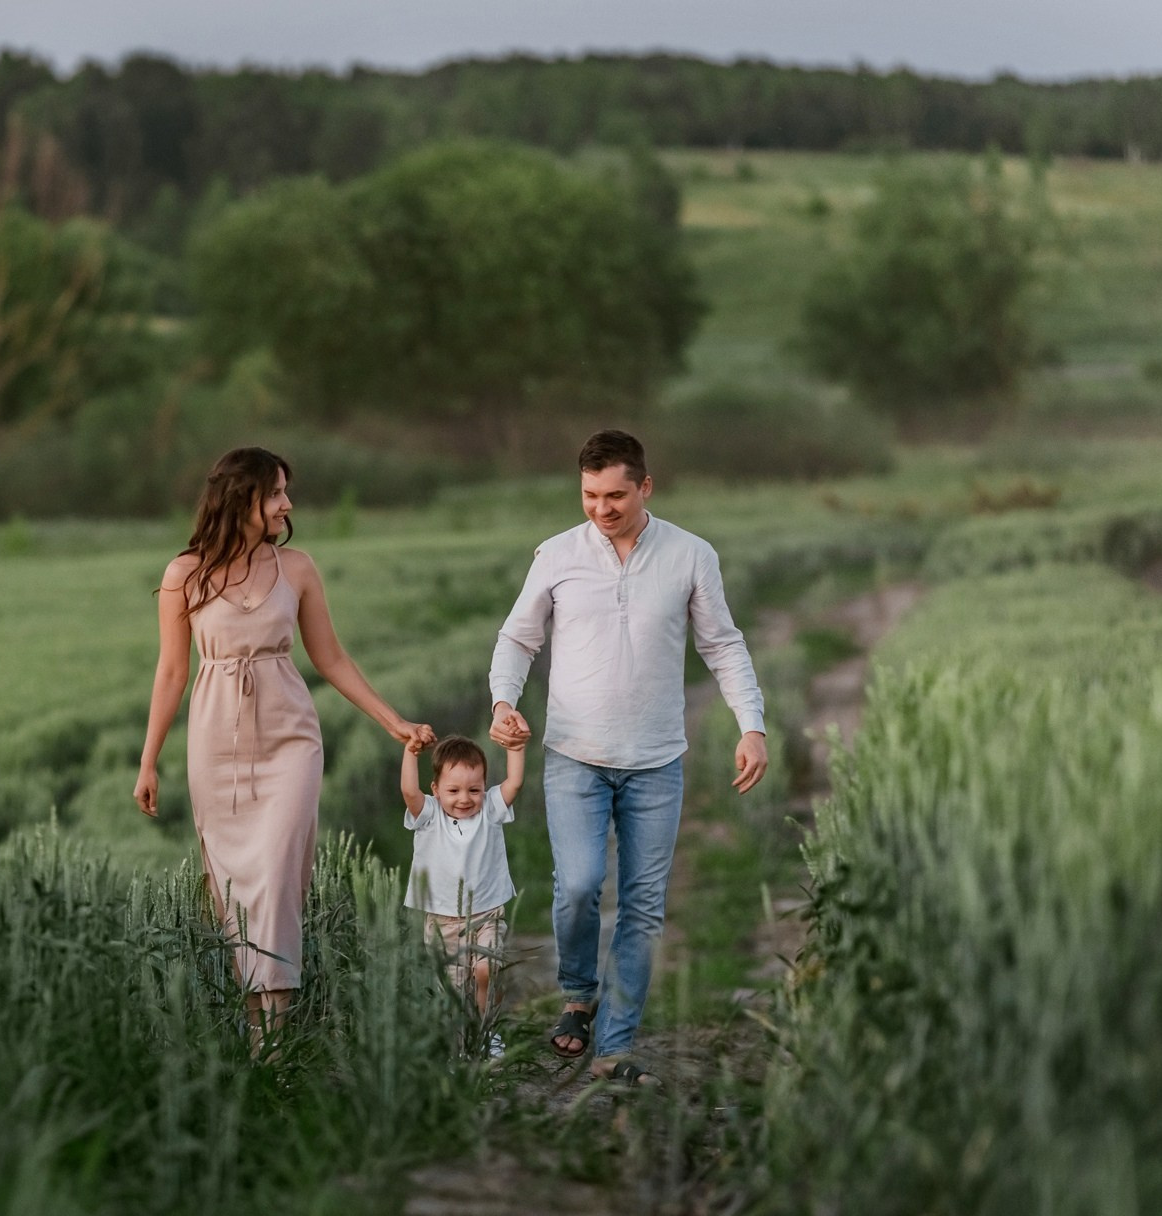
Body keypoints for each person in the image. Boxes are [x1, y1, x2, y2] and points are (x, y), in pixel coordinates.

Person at [489, 429, 768, 1089]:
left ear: (645, 486)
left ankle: (614, 1047)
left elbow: (723, 645)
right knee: (581, 884)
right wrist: (503, 702)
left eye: (615, 494)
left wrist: (750, 725)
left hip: (655, 761)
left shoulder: (691, 555)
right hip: (574, 756)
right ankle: (579, 992)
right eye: (589, 495)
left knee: (642, 906)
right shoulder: (556, 555)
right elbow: (516, 637)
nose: (601, 508)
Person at [136, 447, 434, 1048]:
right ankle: (258, 1035)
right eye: (275, 493)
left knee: (276, 876)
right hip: (216, 744)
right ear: (240, 498)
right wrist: (148, 760)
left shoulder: (297, 568)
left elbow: (330, 658)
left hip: (290, 739)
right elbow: (171, 672)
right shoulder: (183, 574)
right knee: (233, 888)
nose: (287, 505)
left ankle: (274, 1042)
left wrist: (391, 720)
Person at [401, 733, 525, 1039]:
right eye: (453, 790)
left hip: (487, 914)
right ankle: (456, 1049)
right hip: (443, 922)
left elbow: (514, 783)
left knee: (487, 969)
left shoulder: (490, 811)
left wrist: (516, 748)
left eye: (474, 789)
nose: (464, 798)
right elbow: (407, 790)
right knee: (453, 992)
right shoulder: (429, 815)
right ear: (436, 790)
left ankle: (488, 1034)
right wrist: (411, 752)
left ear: (485, 787)